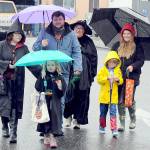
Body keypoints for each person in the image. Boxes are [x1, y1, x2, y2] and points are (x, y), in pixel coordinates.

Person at [0, 20, 40, 143]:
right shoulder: (1, 45)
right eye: (16, 34)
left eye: (20, 34)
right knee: (4, 106)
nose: (18, 36)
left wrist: (42, 74)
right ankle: (5, 126)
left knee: (14, 106)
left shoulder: (24, 49)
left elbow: (31, 63)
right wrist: (7, 65)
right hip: (4, 82)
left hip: (17, 82)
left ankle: (14, 133)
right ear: (10, 34)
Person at [64, 20, 97, 129]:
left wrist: (92, 75)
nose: (79, 30)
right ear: (73, 30)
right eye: (77, 28)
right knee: (69, 94)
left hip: (84, 75)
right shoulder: (68, 40)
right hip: (69, 73)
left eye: (81, 29)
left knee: (82, 97)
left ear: (84, 31)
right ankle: (68, 116)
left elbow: (93, 59)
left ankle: (77, 119)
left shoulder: (88, 42)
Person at [112, 23, 145, 131]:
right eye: (124, 33)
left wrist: (132, 66)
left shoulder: (137, 46)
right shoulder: (117, 45)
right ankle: (122, 123)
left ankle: (133, 118)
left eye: (128, 33)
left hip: (132, 77)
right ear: (122, 34)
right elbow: (111, 58)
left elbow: (140, 61)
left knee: (128, 100)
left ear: (132, 35)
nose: (126, 35)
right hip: (119, 77)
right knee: (119, 100)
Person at [35, 61, 66, 148]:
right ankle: (46, 134)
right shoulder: (44, 76)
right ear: (45, 66)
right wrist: (41, 77)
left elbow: (62, 93)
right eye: (48, 65)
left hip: (55, 103)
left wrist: (60, 87)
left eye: (52, 65)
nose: (50, 67)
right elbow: (37, 87)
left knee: (54, 119)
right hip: (45, 102)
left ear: (56, 66)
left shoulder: (59, 77)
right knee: (45, 119)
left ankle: (52, 137)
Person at [97, 51, 123, 137]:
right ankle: (102, 126)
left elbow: (121, 80)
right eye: (111, 61)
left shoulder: (118, 70)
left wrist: (118, 80)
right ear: (107, 61)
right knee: (103, 112)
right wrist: (106, 78)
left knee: (113, 112)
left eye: (115, 62)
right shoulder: (103, 70)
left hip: (113, 96)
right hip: (104, 96)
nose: (113, 63)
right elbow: (99, 80)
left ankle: (113, 128)